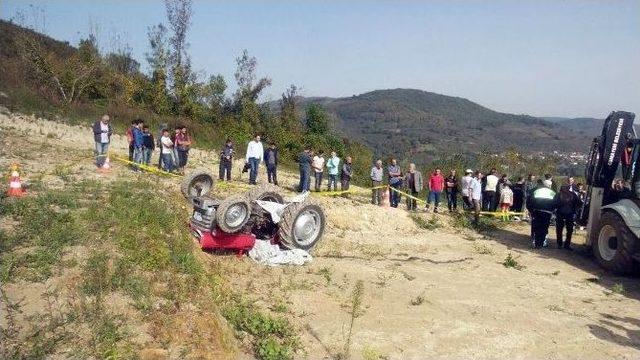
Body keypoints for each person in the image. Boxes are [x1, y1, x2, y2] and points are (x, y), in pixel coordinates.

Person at [526, 179, 556, 249]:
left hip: (536, 212)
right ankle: (541, 243)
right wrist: (553, 211)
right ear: (550, 185)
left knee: (537, 228)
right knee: (544, 228)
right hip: (547, 213)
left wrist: (531, 211)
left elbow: (529, 202)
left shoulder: (536, 191)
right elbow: (555, 203)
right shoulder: (553, 193)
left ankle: (536, 243)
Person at [554, 183, 582, 250]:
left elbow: (554, 203)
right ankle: (567, 245)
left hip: (560, 213)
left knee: (559, 229)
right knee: (569, 230)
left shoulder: (558, 194)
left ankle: (559, 244)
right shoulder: (573, 194)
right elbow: (579, 203)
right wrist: (575, 209)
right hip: (570, 214)